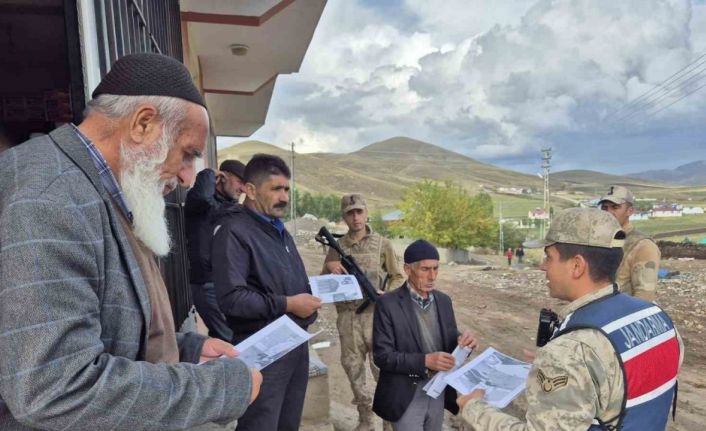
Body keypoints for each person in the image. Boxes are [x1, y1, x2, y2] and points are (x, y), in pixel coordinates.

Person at [0, 53, 260, 430]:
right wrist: (220, 389)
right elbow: (55, 390)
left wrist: (187, 348)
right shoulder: (48, 198)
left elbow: (105, 319)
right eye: (188, 154)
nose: (189, 178)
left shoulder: (102, 187)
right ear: (143, 124)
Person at [458, 208, 683, 431]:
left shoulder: (570, 352)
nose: (542, 266)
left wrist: (473, 407)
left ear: (576, 265)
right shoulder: (656, 316)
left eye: (549, 257)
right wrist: (572, 370)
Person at [211, 153, 321, 431]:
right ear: (250, 190)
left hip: (294, 346)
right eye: (276, 189)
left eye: (286, 189)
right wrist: (289, 304)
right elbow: (232, 299)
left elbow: (292, 280)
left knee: (288, 424)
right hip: (262, 352)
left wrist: (309, 299)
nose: (284, 197)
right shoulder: (233, 230)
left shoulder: (278, 229)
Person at [372, 239, 478, 431]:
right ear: (407, 269)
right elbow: (382, 356)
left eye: (436, 269)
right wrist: (425, 361)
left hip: (437, 390)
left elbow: (449, 337)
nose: (432, 276)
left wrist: (464, 342)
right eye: (425, 269)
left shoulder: (444, 301)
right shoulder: (387, 304)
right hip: (406, 393)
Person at [321, 193, 405, 431]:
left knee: (384, 372)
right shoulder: (337, 248)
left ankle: (389, 421)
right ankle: (366, 419)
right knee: (353, 369)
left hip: (377, 317)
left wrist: (386, 293)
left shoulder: (382, 244)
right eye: (350, 213)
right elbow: (322, 284)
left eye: (359, 211)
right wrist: (329, 269)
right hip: (348, 318)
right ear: (344, 217)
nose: (356, 217)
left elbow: (398, 277)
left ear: (366, 213)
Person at [185, 160, 246, 341]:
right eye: (240, 182)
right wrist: (209, 173)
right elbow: (204, 197)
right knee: (228, 339)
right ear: (223, 177)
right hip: (207, 284)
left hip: (226, 284)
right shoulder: (200, 203)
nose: (243, 189)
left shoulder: (229, 207)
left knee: (230, 337)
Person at [599, 185, 661, 300]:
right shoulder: (600, 240)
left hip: (621, 313)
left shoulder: (642, 245)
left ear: (630, 211)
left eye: (615, 207)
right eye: (604, 208)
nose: (608, 213)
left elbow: (644, 295)